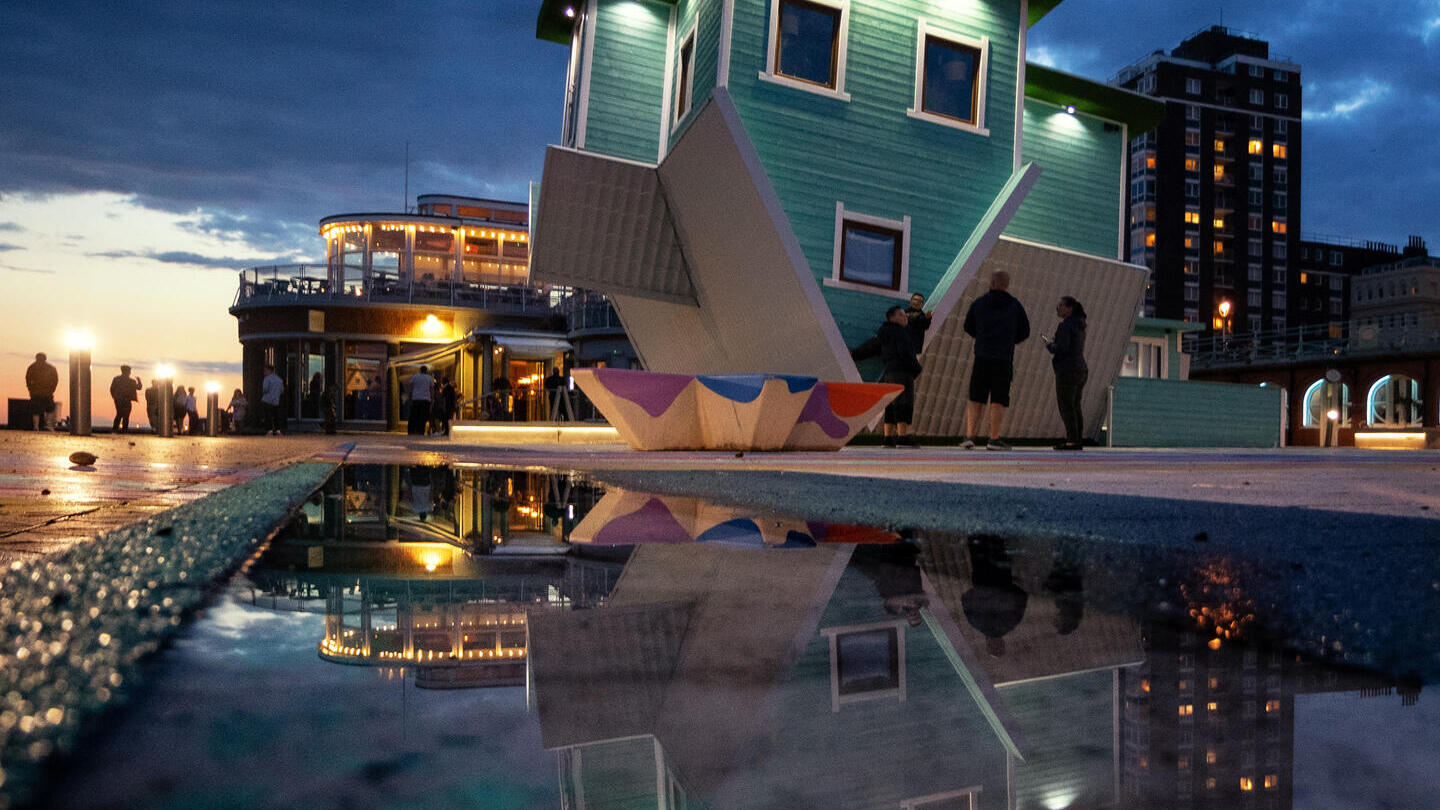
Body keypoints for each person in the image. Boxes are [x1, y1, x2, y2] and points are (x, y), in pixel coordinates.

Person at [961, 271, 1030, 450]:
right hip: (1003, 358)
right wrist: (1008, 340)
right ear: (1007, 285)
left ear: (991, 282)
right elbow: (1025, 331)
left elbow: (968, 326)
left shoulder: (979, 303)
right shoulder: (1015, 305)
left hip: (982, 356)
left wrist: (983, 337)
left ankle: (970, 437)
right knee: (999, 398)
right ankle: (994, 438)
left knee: (976, 397)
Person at [851, 305, 922, 447]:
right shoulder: (900, 333)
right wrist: (917, 369)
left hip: (889, 372)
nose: (905, 316)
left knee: (891, 404)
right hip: (902, 372)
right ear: (893, 318)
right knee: (904, 403)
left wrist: (855, 354)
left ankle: (888, 438)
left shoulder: (882, 333)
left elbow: (870, 347)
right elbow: (906, 354)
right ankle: (903, 437)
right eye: (902, 315)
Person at [1044, 296, 1089, 450]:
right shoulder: (1080, 325)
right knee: (1075, 405)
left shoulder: (1066, 326)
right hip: (1080, 369)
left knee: (1066, 406)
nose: (1058, 308)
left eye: (1061, 305)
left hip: (1067, 370)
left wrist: (1050, 345)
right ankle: (1077, 439)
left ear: (1069, 308)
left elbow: (1061, 348)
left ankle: (1072, 440)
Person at [25, 352, 58, 431]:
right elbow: (55, 380)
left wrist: (30, 389)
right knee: (49, 409)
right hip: (46, 392)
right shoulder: (50, 368)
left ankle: (36, 427)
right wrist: (52, 389)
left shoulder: (32, 367)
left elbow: (28, 379)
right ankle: (48, 426)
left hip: (37, 392)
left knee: (36, 410)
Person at [109, 365, 142, 433]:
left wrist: (114, 397)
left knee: (121, 414)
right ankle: (122, 430)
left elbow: (112, 389)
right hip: (124, 400)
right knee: (123, 415)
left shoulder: (117, 379)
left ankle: (117, 430)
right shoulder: (130, 381)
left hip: (121, 400)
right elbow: (139, 387)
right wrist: (139, 380)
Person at [407, 365, 435, 435]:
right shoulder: (429, 378)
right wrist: (432, 399)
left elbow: (411, 386)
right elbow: (431, 389)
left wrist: (410, 396)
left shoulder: (415, 376)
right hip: (425, 399)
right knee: (423, 416)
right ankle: (421, 430)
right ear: (426, 371)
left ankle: (413, 430)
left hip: (416, 398)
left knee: (414, 415)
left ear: (420, 370)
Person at [904, 292, 932, 360]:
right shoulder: (902, 312)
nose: (916, 302)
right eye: (915, 299)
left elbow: (925, 325)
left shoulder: (922, 317)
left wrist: (928, 319)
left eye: (920, 301)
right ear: (911, 301)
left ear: (922, 305)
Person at [260, 365, 285, 435]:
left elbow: (265, 389)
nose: (264, 372)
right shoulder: (279, 380)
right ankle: (278, 430)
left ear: (269, 370)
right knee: (276, 416)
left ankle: (269, 430)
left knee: (268, 416)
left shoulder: (267, 379)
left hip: (267, 400)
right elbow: (282, 390)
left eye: (265, 370)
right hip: (276, 401)